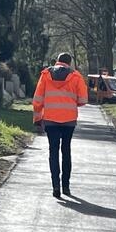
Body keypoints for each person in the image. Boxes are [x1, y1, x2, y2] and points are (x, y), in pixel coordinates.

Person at [32, 52, 89, 199]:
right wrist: (71, 102)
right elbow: (83, 99)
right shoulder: (76, 77)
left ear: (57, 61)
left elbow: (38, 99)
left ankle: (55, 186)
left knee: (53, 151)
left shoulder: (45, 75)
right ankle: (66, 186)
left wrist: (38, 118)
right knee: (66, 151)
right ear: (69, 63)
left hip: (50, 119)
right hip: (69, 120)